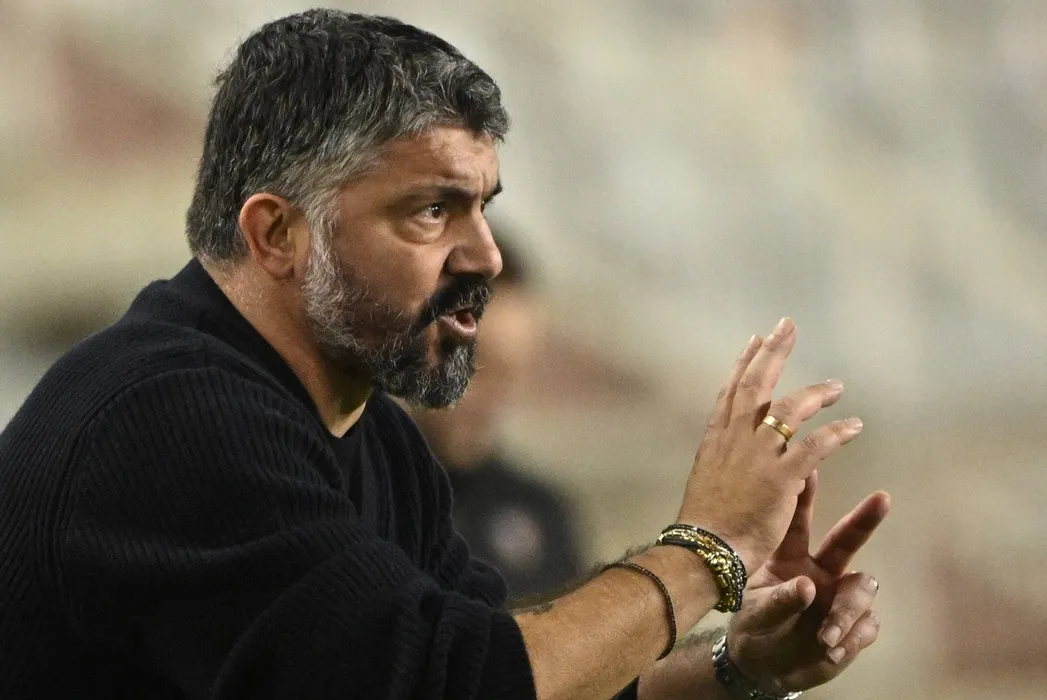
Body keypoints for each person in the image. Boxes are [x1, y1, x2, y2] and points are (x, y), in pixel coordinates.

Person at [0, 10, 889, 700]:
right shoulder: (173, 416)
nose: (486, 257)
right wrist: (708, 549)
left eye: (482, 207)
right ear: (276, 233)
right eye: (431, 211)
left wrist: (738, 667)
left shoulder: (373, 433)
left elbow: (506, 669)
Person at [410, 234, 587, 602]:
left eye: (514, 372)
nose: (496, 396)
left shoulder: (543, 514)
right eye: (479, 363)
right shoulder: (347, 493)